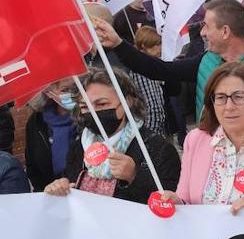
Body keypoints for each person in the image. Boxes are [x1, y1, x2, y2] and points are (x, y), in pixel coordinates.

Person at [94, 0, 244, 121]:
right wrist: (118, 44)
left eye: (207, 26)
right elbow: (160, 70)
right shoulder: (206, 61)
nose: (202, 32)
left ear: (225, 31)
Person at [161, 62, 244, 209]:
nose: (229, 106)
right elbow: (186, 200)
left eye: (238, 97)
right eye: (221, 98)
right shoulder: (195, 140)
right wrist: (176, 203)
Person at [41, 68, 182, 204]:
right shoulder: (79, 148)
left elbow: (171, 203)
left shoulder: (157, 148)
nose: (93, 112)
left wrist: (134, 176)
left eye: (101, 104)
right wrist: (62, 186)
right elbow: (70, 183)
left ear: (127, 102)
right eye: (85, 107)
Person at [81, 3, 167, 137]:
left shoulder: (127, 57)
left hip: (135, 142)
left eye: (80, 23)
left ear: (97, 24)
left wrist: (146, 143)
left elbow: (152, 108)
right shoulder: (84, 60)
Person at [24, 78, 80, 191]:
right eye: (65, 90)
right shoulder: (36, 122)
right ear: (49, 92)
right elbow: (32, 165)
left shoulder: (88, 116)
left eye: (75, 89)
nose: (71, 94)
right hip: (52, 193)